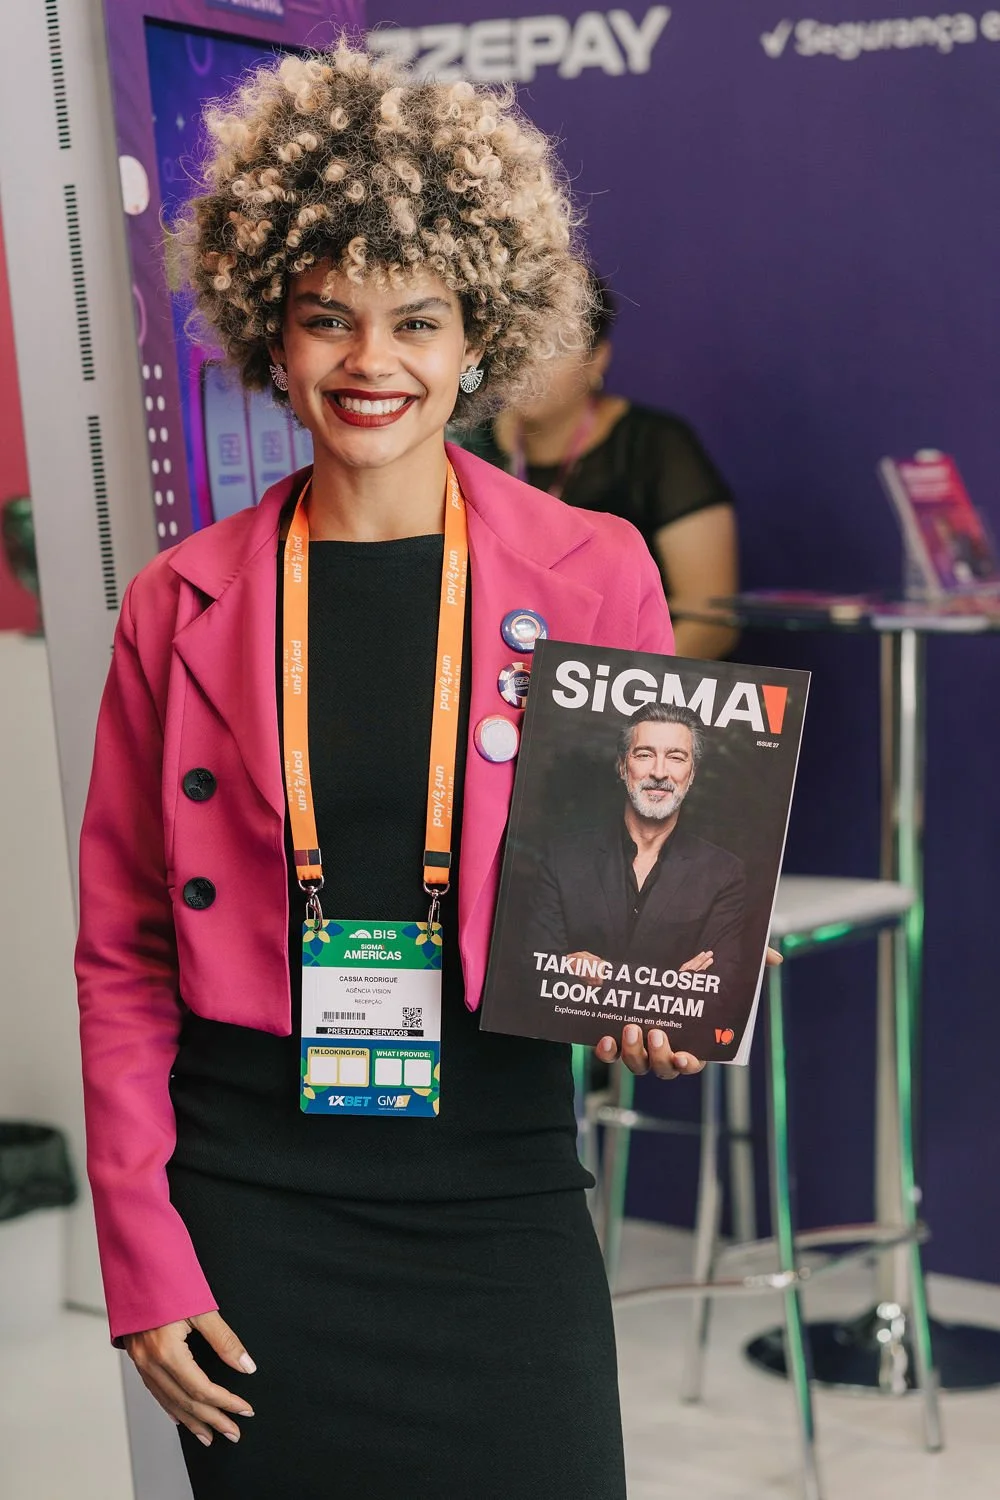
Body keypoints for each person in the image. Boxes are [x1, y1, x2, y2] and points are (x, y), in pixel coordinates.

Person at [73, 42, 722, 1500]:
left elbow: (651, 889)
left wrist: (655, 994)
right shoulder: (178, 604)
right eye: (329, 320)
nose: (373, 365)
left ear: (480, 329)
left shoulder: (594, 568)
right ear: (268, 331)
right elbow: (118, 958)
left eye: (417, 320)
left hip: (495, 1182)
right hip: (255, 1199)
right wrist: (141, 1252)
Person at [457, 274, 739, 659]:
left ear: (597, 359)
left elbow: (712, 621)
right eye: (521, 341)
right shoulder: (461, 442)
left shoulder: (655, 445)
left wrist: (613, 696)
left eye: (556, 346)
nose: (532, 363)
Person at [528, 704, 745, 1055]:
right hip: (566, 1049)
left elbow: (717, 991)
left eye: (676, 757)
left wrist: (602, 975)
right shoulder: (563, 857)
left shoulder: (724, 872)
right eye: (644, 754)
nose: (659, 772)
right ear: (621, 765)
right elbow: (534, 974)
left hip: (672, 1045)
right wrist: (673, 983)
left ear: (692, 773)